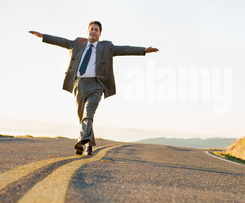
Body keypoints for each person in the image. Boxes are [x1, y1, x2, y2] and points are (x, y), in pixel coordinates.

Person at [29, 21, 159, 155]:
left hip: (97, 86)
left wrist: (143, 50)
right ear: (88, 31)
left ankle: (81, 141)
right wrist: (43, 36)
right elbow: (62, 41)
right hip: (79, 84)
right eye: (91, 29)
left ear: (100, 33)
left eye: (96, 30)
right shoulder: (78, 43)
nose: (93, 32)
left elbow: (123, 49)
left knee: (89, 114)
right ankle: (89, 145)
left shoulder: (106, 46)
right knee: (82, 116)